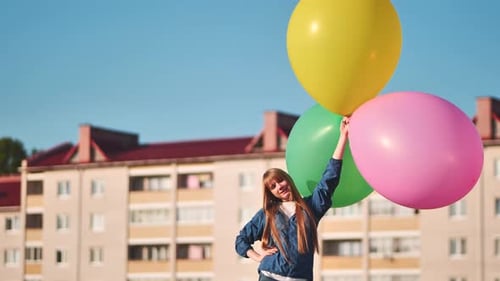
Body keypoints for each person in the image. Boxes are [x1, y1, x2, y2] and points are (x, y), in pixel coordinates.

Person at [235, 116, 350, 281]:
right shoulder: (268, 214)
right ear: (271, 193)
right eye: (273, 186)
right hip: (270, 275)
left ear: (288, 180)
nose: (279, 186)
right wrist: (258, 257)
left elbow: (329, 178)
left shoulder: (311, 207)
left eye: (280, 180)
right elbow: (241, 240)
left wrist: (343, 137)